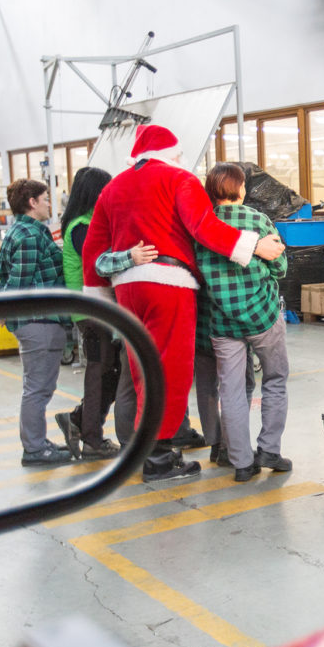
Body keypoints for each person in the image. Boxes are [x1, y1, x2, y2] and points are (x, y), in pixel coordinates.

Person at [80, 124, 285, 482]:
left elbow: (93, 246)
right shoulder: (179, 179)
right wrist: (253, 245)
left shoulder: (113, 187)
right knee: (171, 369)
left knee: (142, 369)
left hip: (127, 289)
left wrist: (98, 296)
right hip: (168, 284)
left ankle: (146, 448)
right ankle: (160, 458)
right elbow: (203, 227)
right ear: (173, 154)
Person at [197, 163, 291, 482]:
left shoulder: (203, 226)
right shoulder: (257, 220)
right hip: (263, 316)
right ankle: (269, 450)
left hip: (222, 323)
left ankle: (241, 462)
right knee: (275, 378)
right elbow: (280, 267)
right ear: (240, 189)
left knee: (232, 391)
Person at [56, 167, 143, 460]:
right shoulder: (82, 226)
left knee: (110, 369)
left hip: (101, 308)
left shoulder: (90, 221)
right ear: (95, 192)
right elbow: (99, 261)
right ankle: (91, 438)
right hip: (90, 310)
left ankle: (79, 421)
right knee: (100, 369)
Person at [0, 178, 73, 466]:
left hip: (39, 321)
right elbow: (19, 282)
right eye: (46, 198)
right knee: (37, 388)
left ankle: (36, 441)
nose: (49, 204)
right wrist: (4, 307)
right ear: (32, 202)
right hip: (38, 321)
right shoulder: (29, 235)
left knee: (39, 386)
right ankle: (34, 448)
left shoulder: (24, 230)